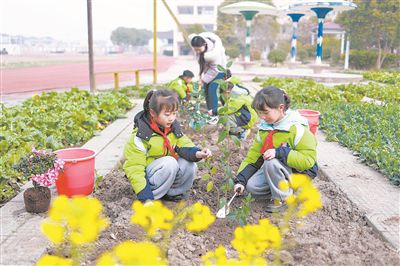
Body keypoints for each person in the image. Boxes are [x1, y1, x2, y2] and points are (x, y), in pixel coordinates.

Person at [233, 86, 318, 212]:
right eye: (259, 113)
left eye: (266, 112)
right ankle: (283, 189)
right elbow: (253, 157)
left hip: (300, 172)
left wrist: (279, 152)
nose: (262, 117)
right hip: (280, 170)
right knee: (252, 187)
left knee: (270, 162)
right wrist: (241, 180)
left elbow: (308, 160)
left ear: (281, 108)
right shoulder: (265, 129)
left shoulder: (297, 129)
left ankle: (283, 199)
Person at [123, 89, 212, 202]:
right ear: (152, 113)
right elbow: (134, 168)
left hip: (165, 172)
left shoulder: (172, 128)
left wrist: (198, 153)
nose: (171, 118)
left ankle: (173, 194)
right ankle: (154, 196)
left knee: (190, 165)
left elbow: (183, 144)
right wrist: (145, 198)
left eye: (174, 113)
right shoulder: (141, 135)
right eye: (167, 114)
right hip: (149, 179)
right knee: (170, 162)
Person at [189, 32, 227, 125]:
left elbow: (214, 70)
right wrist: (201, 77)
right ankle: (211, 112)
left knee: (211, 90)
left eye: (199, 49)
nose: (197, 51)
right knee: (206, 90)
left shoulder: (213, 54)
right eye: (195, 49)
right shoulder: (199, 47)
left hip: (219, 70)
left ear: (205, 45)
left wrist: (203, 80)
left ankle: (215, 116)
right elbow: (203, 64)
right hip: (210, 71)